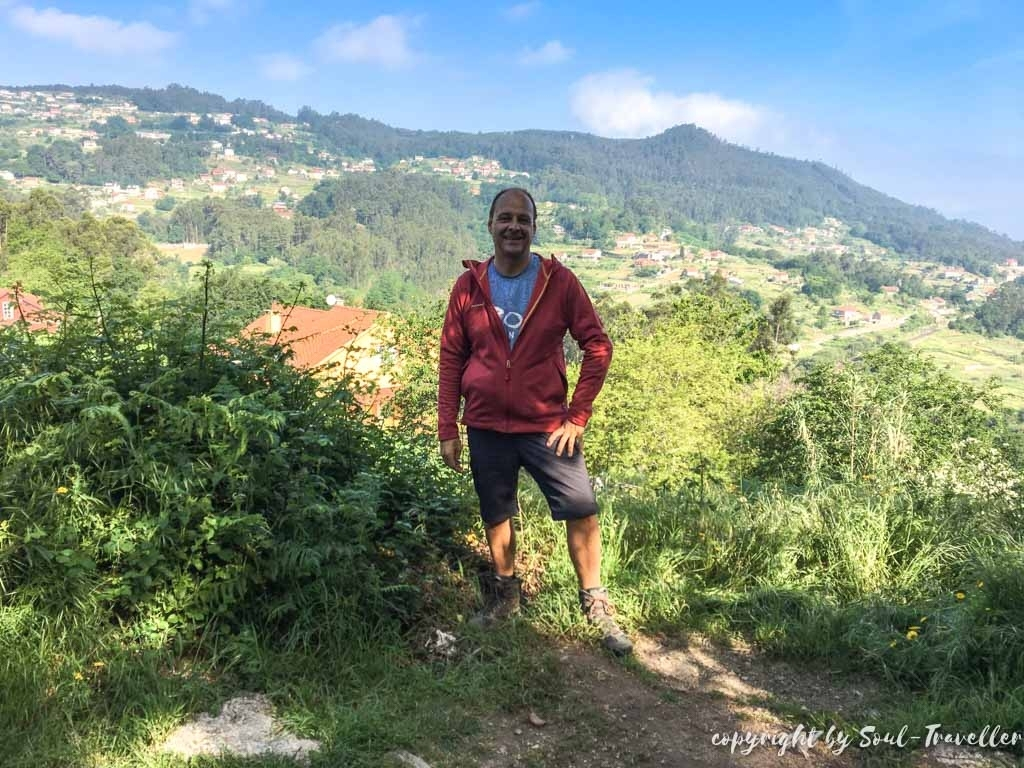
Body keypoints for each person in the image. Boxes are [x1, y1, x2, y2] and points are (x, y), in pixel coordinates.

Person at [437, 187, 632, 655]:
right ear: (490, 225)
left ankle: (595, 602)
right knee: (496, 511)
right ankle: (507, 596)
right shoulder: (469, 287)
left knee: (581, 508)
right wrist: (447, 426)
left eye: (522, 219)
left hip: (548, 425)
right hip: (486, 423)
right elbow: (451, 357)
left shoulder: (558, 282)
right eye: (505, 218)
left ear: (533, 228)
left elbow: (597, 346)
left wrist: (578, 415)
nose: (514, 227)